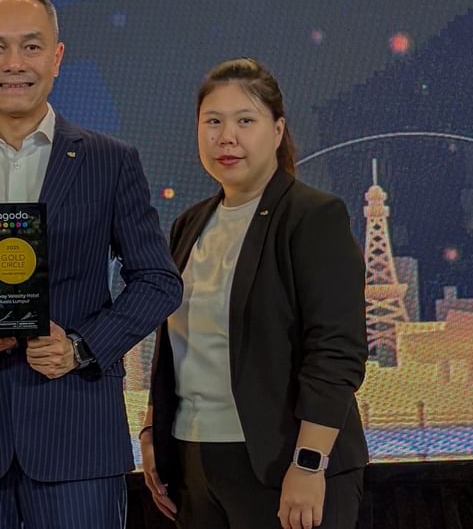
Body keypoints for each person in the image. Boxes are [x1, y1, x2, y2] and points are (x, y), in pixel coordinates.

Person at [0, 0, 183, 528]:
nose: (14, 64)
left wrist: (81, 347)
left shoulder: (110, 161)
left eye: (31, 46)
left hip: (76, 430)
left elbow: (157, 281)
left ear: (57, 56)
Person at [140, 58, 368, 529]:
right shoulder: (189, 224)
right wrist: (151, 428)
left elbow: (336, 351)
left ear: (278, 129)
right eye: (213, 122)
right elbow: (177, 344)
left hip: (283, 464)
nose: (228, 137)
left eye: (246, 120)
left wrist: (308, 464)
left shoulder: (312, 216)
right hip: (194, 462)